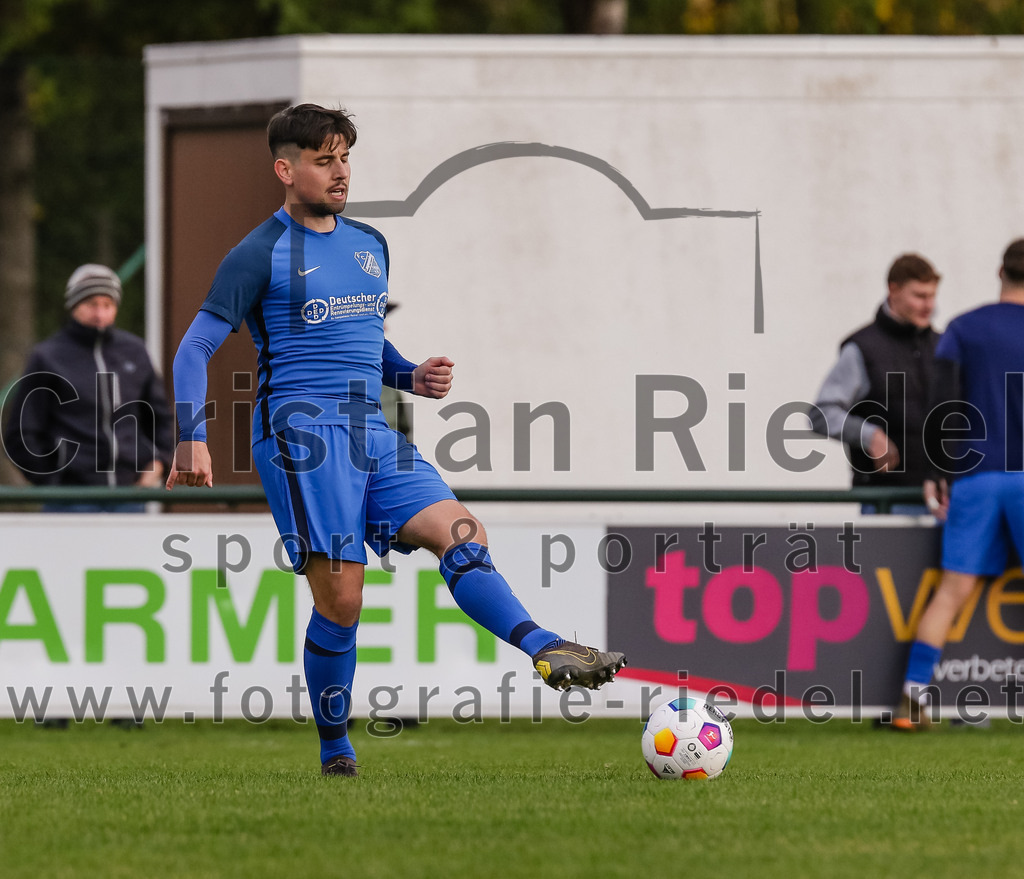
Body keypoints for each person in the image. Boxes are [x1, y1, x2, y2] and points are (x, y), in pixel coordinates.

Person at [165, 103, 626, 777]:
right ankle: (334, 748)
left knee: (463, 533)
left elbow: (361, 337)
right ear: (285, 169)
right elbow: (193, 348)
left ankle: (545, 646)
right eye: (324, 160)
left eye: (345, 157)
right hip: (302, 437)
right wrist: (190, 437)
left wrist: (409, 373)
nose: (340, 171)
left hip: (371, 431)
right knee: (342, 599)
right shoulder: (257, 253)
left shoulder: (369, 244)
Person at [891, 239, 1024, 729]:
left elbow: (942, 407)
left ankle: (912, 699)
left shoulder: (964, 328)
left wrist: (937, 471)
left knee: (951, 591)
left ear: (999, 272)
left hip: (977, 476)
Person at [2, 263, 174, 512]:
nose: (100, 314)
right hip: (70, 502)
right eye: (92, 304)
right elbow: (21, 434)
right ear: (73, 305)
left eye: (108, 305)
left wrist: (159, 461)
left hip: (131, 498)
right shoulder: (46, 357)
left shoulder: (136, 352)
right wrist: (53, 483)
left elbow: (160, 418)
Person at [809, 254, 941, 514]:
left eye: (932, 296)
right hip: (887, 501)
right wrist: (869, 435)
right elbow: (822, 413)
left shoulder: (943, 345)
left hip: (944, 498)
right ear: (893, 290)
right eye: (919, 296)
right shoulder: (862, 349)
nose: (929, 305)